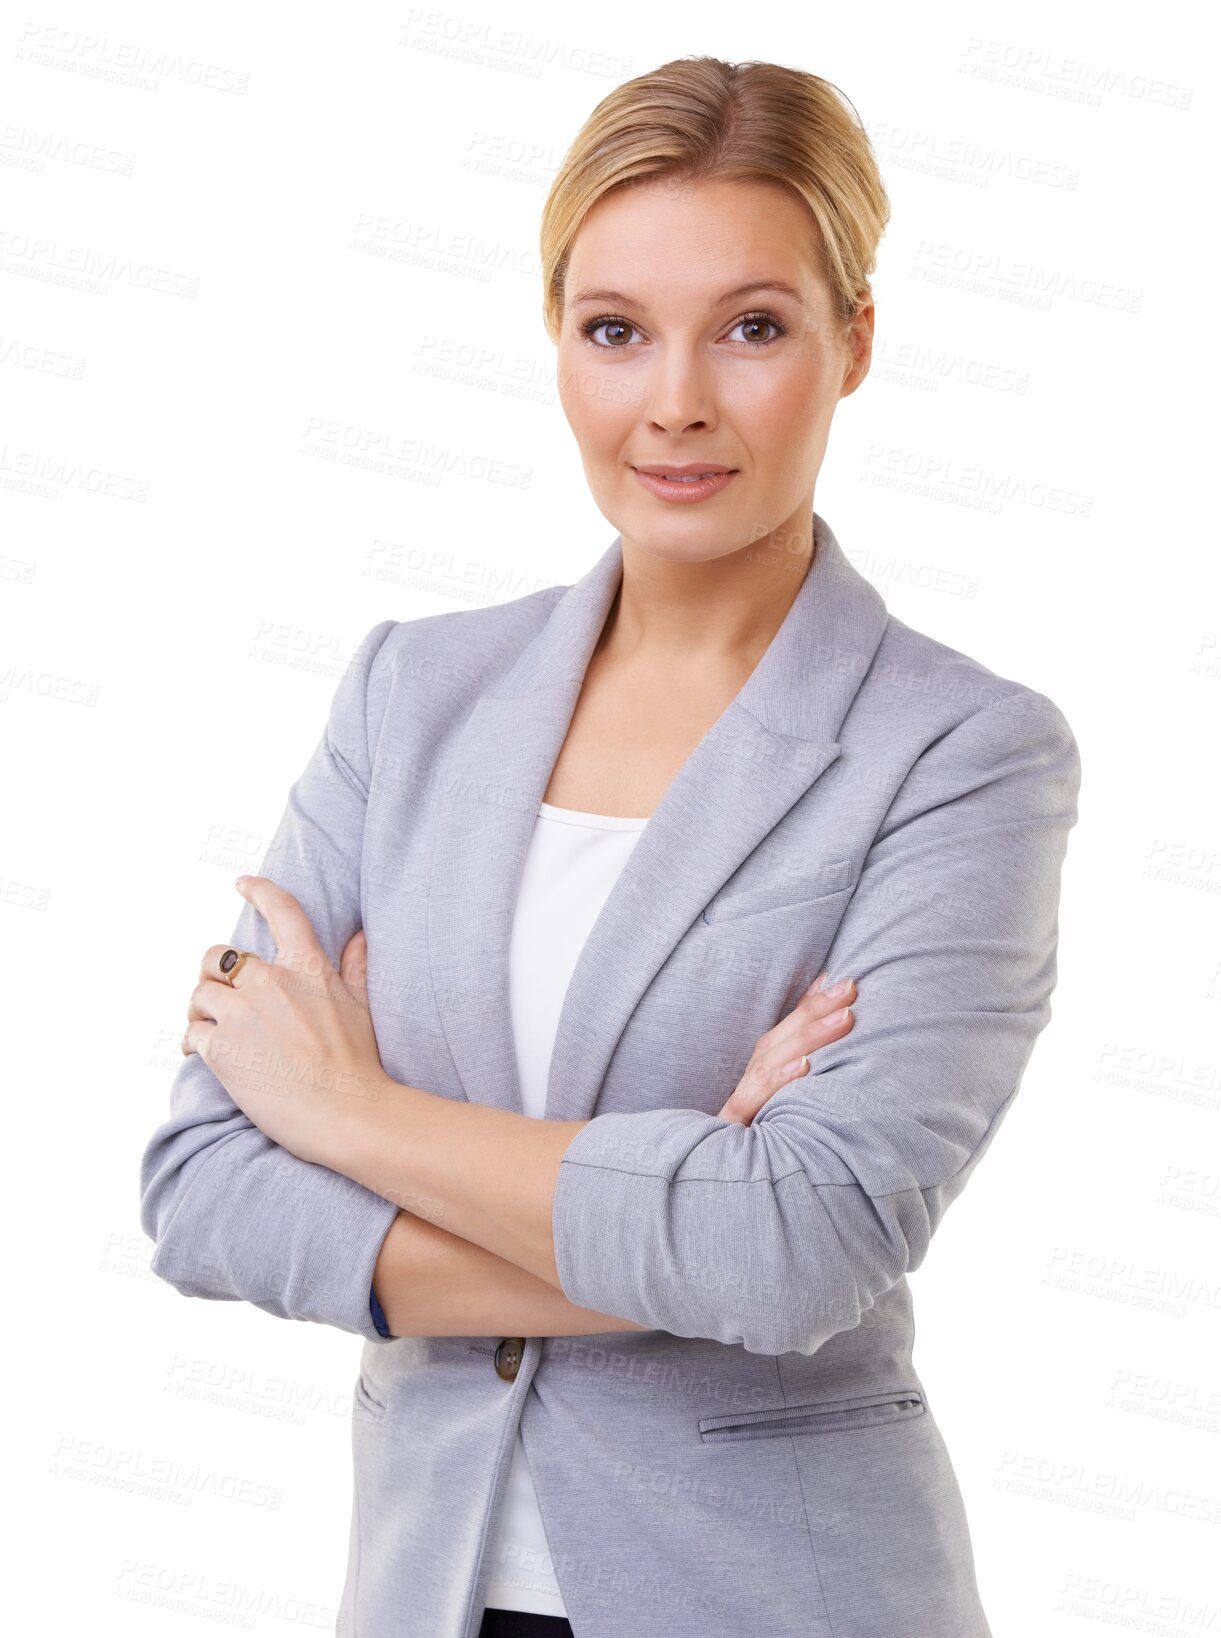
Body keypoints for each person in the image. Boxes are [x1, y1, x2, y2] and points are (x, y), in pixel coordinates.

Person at [140, 55, 1081, 1638]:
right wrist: (689, 1205)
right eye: (615, 330)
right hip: (427, 1590)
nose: (676, 402)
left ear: (854, 340)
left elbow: (801, 1245)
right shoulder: (411, 693)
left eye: (752, 327)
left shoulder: (960, 751)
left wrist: (352, 1109)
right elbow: (204, 1189)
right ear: (556, 338)